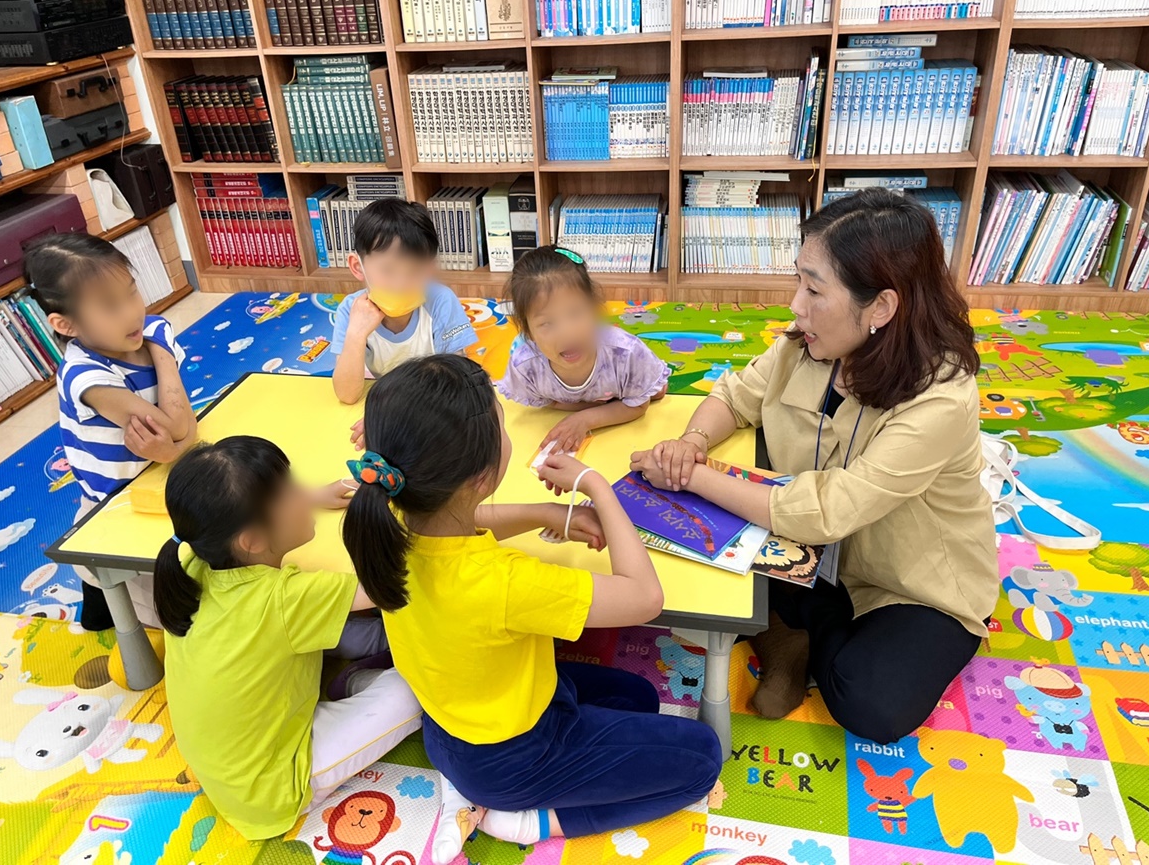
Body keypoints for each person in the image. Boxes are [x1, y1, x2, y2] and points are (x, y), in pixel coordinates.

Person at [632, 189, 996, 744]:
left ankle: (791, 629)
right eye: (799, 281)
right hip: (804, 548)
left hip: (904, 582)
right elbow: (735, 396)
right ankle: (788, 626)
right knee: (676, 561)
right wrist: (691, 442)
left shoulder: (941, 398)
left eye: (815, 289)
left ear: (881, 308)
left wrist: (694, 476)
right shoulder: (808, 343)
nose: (796, 304)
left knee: (873, 704)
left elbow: (830, 510)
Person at [343, 354, 721, 864]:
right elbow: (644, 598)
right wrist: (596, 487)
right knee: (702, 758)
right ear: (483, 475)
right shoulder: (507, 581)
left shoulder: (388, 519)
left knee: (637, 697)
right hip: (513, 758)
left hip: (455, 727)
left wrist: (549, 513)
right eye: (503, 425)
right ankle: (529, 821)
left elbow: (466, 520)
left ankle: (473, 790)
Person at [155, 436, 422, 841]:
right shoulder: (285, 599)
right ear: (252, 540)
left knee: (335, 626)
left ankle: (355, 675)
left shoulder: (196, 557)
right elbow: (394, 585)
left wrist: (313, 496)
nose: (303, 491)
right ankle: (358, 680)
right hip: (273, 787)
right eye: (290, 490)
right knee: (414, 691)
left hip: (233, 761)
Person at [26, 233, 196, 632]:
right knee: (177, 611)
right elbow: (177, 425)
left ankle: (102, 598)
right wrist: (164, 355)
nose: (133, 314)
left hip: (164, 476)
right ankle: (102, 595)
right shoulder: (86, 375)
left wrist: (175, 450)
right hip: (116, 505)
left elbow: (180, 429)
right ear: (66, 324)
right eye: (110, 306)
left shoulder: (153, 332)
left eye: (131, 292)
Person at [497, 246, 668, 452]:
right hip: (596, 398)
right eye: (547, 323)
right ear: (528, 331)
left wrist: (584, 420)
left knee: (656, 391)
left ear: (594, 307)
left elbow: (639, 405)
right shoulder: (526, 366)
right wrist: (595, 406)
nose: (567, 333)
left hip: (625, 399)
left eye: (575, 313)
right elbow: (547, 401)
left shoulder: (626, 353)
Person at [330, 198, 477, 404]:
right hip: (387, 402)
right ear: (357, 266)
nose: (400, 284)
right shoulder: (351, 310)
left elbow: (458, 381)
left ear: (430, 267)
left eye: (415, 271)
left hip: (433, 402)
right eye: (387, 270)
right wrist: (356, 334)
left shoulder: (440, 301)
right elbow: (347, 395)